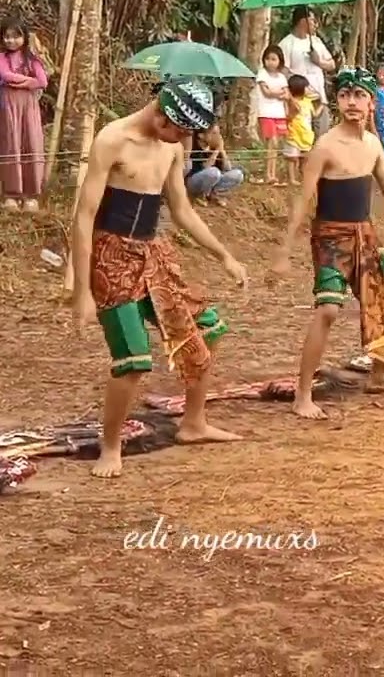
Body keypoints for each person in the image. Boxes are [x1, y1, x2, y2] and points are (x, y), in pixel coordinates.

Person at [69, 78, 249, 478]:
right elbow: (84, 217)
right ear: (162, 115)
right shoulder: (113, 140)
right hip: (112, 257)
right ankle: (111, 446)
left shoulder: (171, 146)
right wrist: (81, 291)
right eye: (181, 130)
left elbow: (182, 210)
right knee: (133, 359)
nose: (183, 140)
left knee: (208, 328)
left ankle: (194, 422)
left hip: (154, 252)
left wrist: (224, 255)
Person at [270, 68, 384, 420]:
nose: (352, 102)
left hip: (365, 235)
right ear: (337, 101)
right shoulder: (325, 146)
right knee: (328, 310)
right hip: (331, 238)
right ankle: (303, 395)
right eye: (345, 95)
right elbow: (303, 201)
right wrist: (284, 252)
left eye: (359, 95)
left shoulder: (374, 145)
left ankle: (378, 375)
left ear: (371, 102)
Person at [0, 17, 47, 211]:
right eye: (7, 36)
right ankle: (11, 195)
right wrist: (29, 81)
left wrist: (18, 82)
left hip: (29, 108)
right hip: (8, 107)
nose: (10, 41)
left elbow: (42, 81)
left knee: (31, 144)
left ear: (24, 37)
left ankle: (31, 195)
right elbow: (5, 75)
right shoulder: (2, 58)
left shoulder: (32, 59)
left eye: (15, 36)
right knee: (10, 145)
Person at [278, 7, 335, 137]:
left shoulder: (316, 41)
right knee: (303, 138)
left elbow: (331, 65)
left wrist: (319, 61)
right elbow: (282, 75)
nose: (316, 24)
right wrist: (290, 100)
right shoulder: (286, 44)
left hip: (319, 99)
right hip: (300, 102)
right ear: (303, 21)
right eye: (312, 20)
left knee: (322, 138)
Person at [254, 45, 290, 186]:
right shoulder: (262, 74)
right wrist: (278, 93)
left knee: (275, 145)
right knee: (271, 142)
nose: (270, 62)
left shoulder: (281, 77)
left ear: (280, 61)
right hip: (266, 113)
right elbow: (266, 93)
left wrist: (276, 93)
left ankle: (273, 173)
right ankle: (268, 174)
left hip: (279, 113)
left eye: (274, 59)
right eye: (268, 58)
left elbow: (286, 95)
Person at [185, 124, 244, 206]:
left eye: (218, 133)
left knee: (238, 174)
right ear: (201, 135)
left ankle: (215, 194)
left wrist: (222, 151)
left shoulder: (214, 147)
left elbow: (228, 168)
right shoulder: (194, 147)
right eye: (214, 133)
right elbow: (205, 167)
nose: (217, 137)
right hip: (194, 180)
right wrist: (216, 151)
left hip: (213, 179)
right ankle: (200, 195)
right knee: (213, 172)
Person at [283, 74, 319, 185]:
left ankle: (304, 175)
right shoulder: (291, 102)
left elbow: (314, 114)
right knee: (292, 158)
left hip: (306, 133)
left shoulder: (308, 101)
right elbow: (289, 115)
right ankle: (292, 178)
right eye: (306, 87)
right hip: (294, 133)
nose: (308, 89)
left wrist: (322, 105)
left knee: (305, 157)